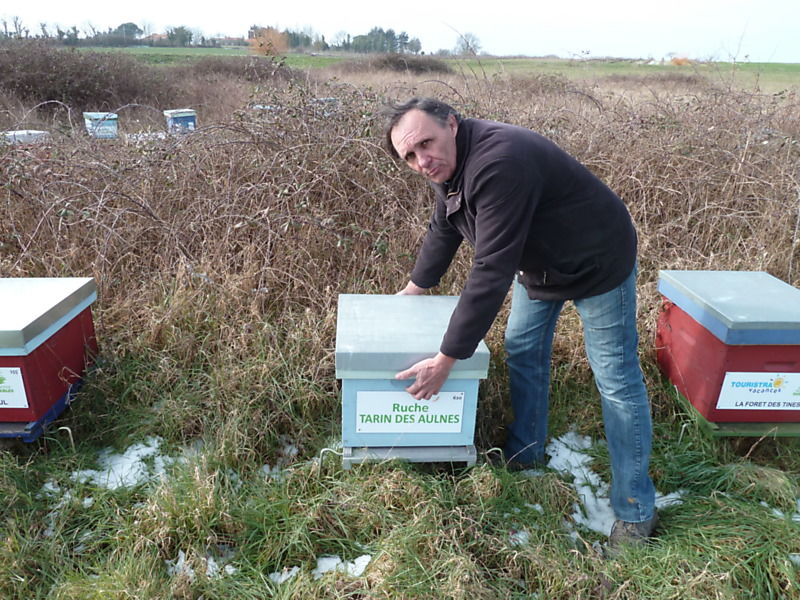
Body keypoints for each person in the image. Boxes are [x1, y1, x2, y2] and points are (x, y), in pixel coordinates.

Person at [384, 97, 657, 550]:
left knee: (615, 379)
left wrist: (447, 359)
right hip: (540, 265)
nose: (421, 161)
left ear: (452, 124)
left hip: (596, 260)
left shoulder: (500, 161)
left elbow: (491, 269)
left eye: (425, 144)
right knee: (523, 347)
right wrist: (414, 289)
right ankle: (526, 453)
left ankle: (636, 510)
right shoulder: (450, 165)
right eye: (409, 156)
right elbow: (445, 226)